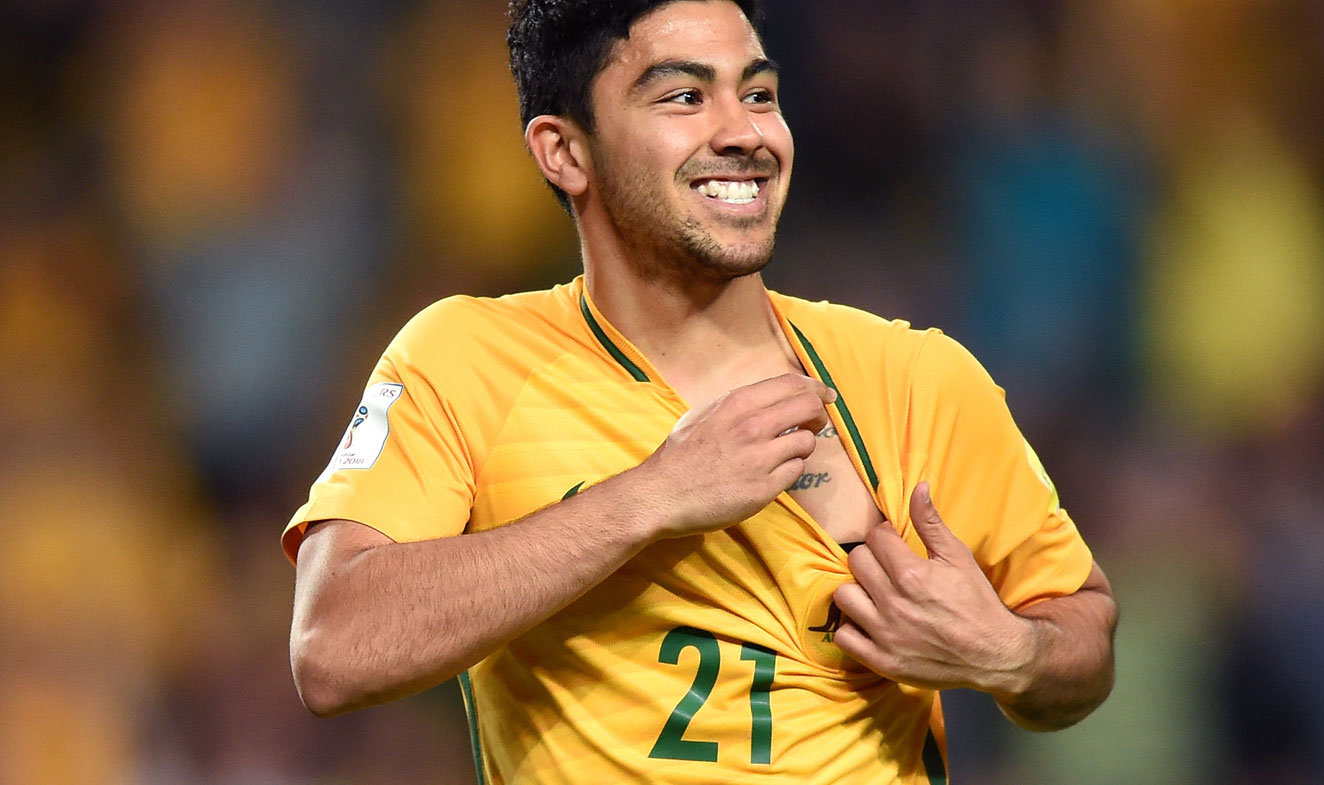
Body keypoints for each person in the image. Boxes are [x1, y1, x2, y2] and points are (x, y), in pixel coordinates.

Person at [282, 1, 1118, 783]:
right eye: (684, 96)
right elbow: (332, 647)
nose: (745, 132)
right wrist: (650, 497)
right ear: (564, 151)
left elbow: (1084, 633)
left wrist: (1010, 653)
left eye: (758, 94)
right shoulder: (465, 359)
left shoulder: (914, 378)